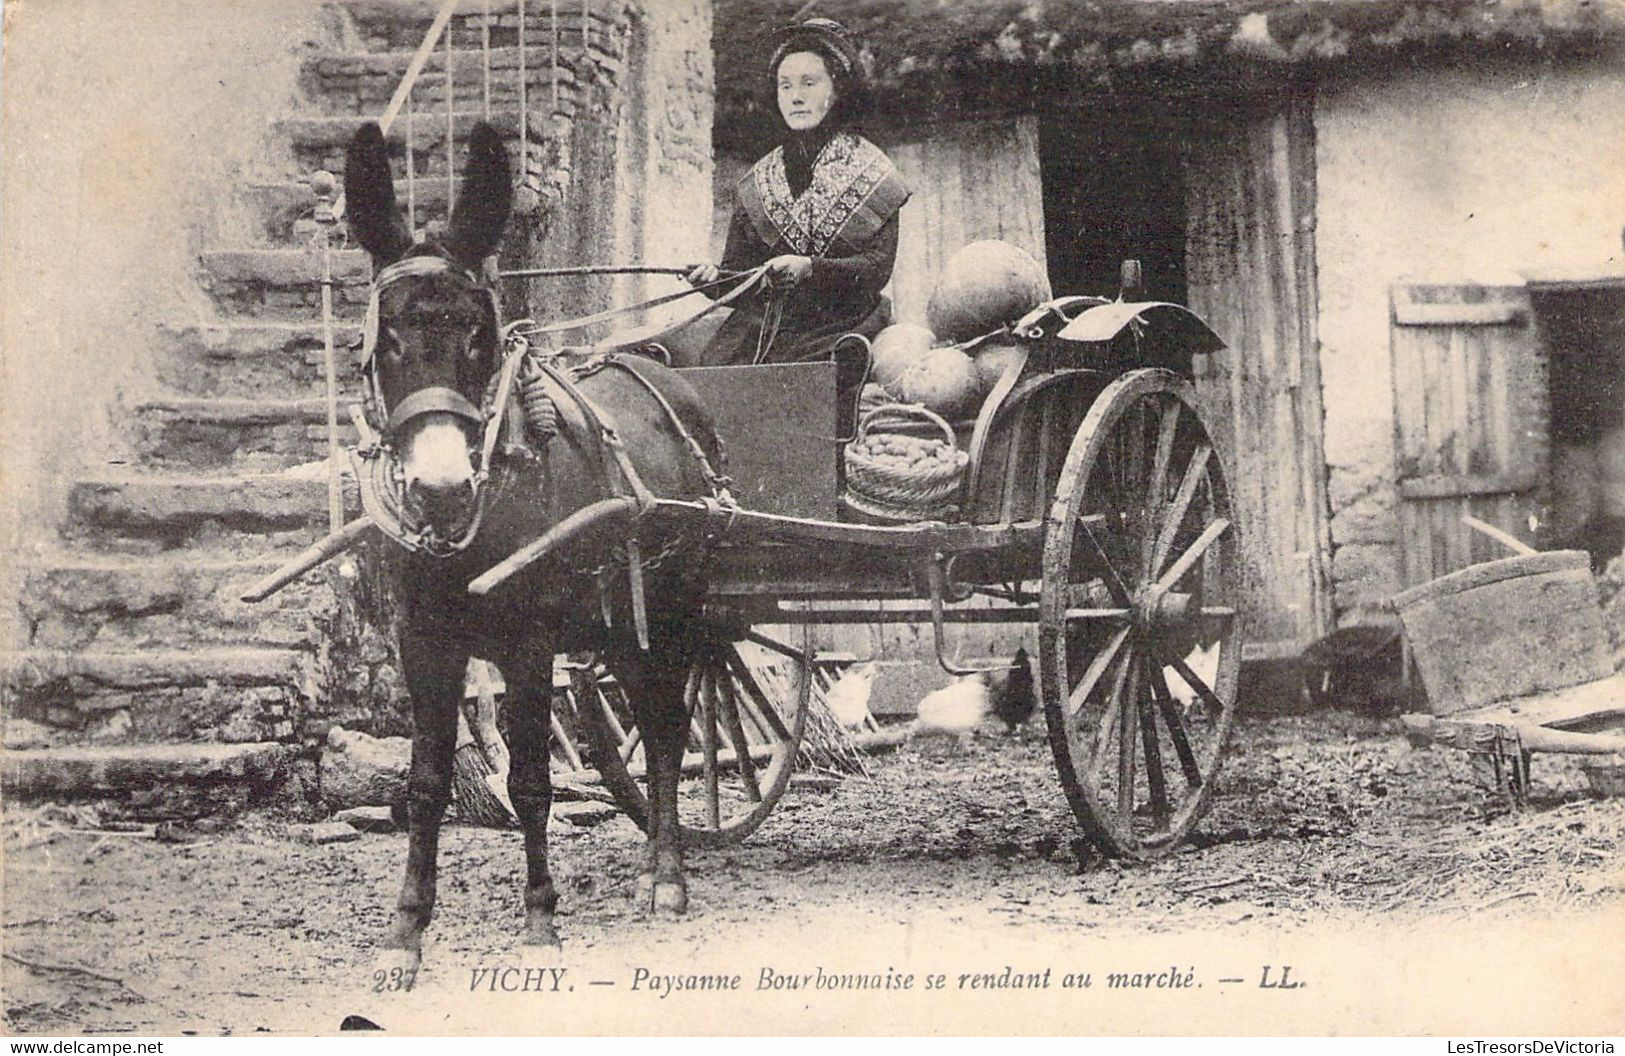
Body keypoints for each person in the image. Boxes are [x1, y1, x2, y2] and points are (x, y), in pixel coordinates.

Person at [686, 19, 911, 367]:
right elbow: (740, 278)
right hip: (768, 326)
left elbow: (875, 270)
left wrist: (809, 268)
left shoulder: (874, 173)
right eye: (785, 86)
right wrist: (713, 279)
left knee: (812, 381)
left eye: (809, 83)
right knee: (712, 376)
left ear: (837, 90)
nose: (796, 97)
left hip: (845, 324)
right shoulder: (758, 182)